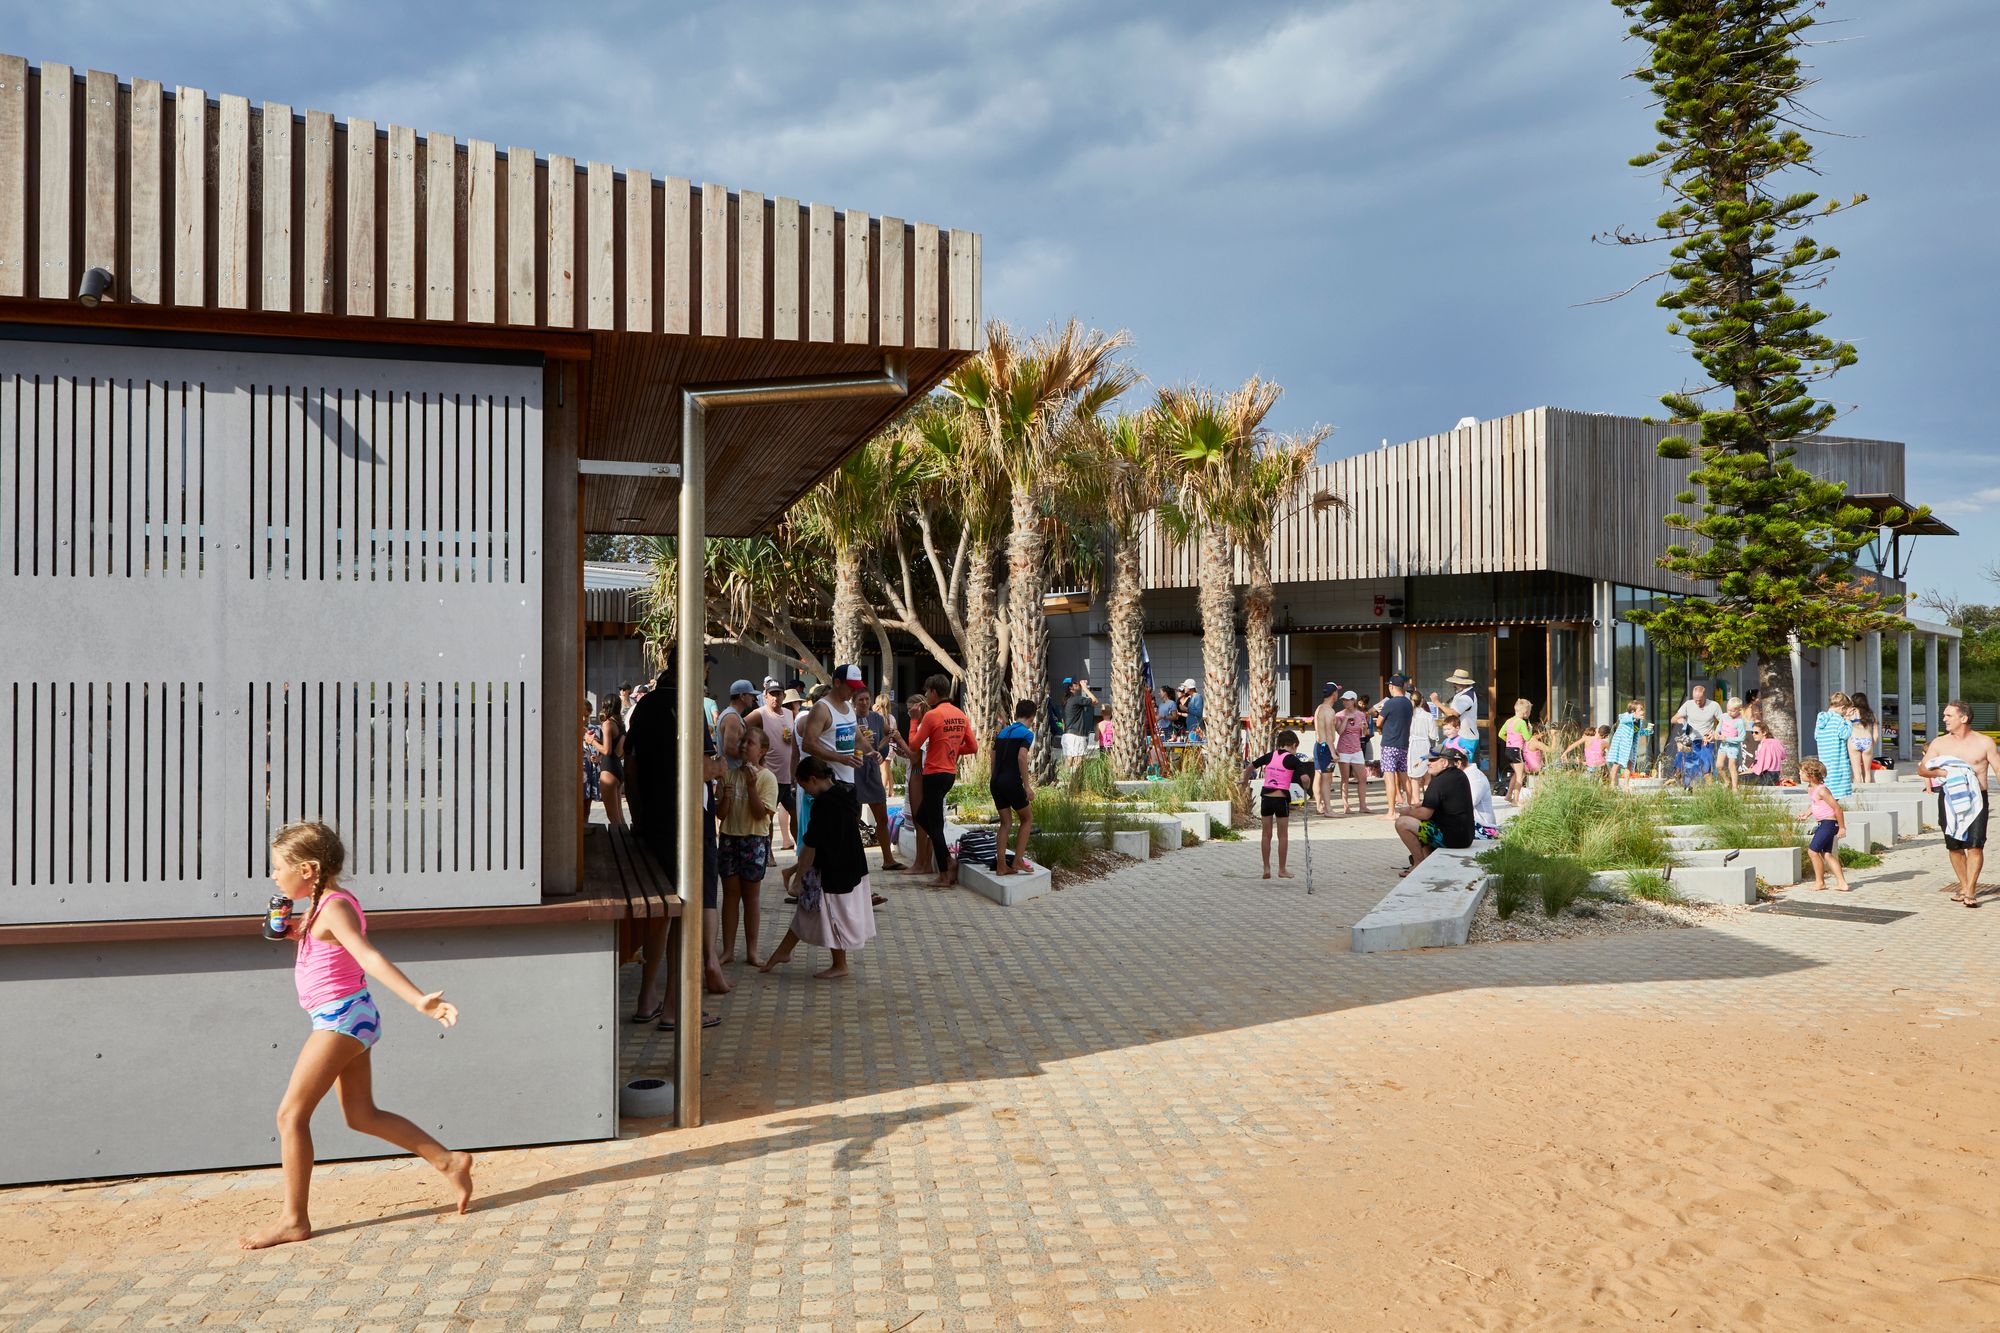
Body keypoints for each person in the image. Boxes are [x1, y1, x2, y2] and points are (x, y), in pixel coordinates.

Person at [240, 821, 473, 1250]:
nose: (273, 875)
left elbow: (369, 956)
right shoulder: (321, 904)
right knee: (361, 1114)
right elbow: (334, 951)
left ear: (308, 868)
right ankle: (448, 1160)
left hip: (341, 1018)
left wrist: (420, 1000)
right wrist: (299, 934)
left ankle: (294, 1219)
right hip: (349, 1015)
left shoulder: (333, 908)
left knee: (291, 1116)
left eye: (278, 867)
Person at [757, 757, 876, 979]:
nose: (806, 793)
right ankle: (782, 953)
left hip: (834, 870)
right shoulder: (845, 791)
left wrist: (797, 879)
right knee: (807, 910)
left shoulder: (824, 803)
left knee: (832, 914)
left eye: (804, 787)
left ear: (812, 779)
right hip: (851, 863)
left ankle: (839, 964)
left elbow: (811, 843)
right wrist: (795, 870)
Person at [1916, 700, 1999, 908]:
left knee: (1975, 845)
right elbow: (1922, 770)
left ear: (1963, 718)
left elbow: (1998, 768)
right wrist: (1945, 773)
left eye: (1948, 715)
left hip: (1977, 799)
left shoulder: (1984, 742)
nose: (1944, 719)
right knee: (1954, 846)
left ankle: (1970, 890)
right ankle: (1964, 885)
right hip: (1950, 798)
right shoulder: (1939, 743)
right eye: (1944, 715)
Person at [905, 674, 978, 887]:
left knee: (934, 827)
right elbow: (972, 747)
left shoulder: (932, 716)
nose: (926, 695)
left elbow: (914, 745)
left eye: (927, 691)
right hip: (949, 774)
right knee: (922, 817)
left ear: (935, 692)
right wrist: (953, 751)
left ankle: (946, 872)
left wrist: (913, 719)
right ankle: (947, 860)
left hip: (934, 774)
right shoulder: (960, 714)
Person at [716, 725, 777, 965]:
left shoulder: (767, 778)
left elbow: (761, 814)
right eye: (742, 741)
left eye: (749, 743)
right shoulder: (729, 775)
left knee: (751, 898)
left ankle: (752, 951)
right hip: (730, 837)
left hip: (754, 839)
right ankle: (728, 950)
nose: (743, 746)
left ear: (762, 751)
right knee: (730, 896)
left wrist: (751, 788)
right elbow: (721, 814)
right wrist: (727, 799)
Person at [795, 664, 866, 846]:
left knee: (846, 837)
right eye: (850, 686)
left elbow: (857, 737)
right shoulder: (822, 708)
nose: (853, 691)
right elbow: (808, 743)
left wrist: (872, 752)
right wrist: (840, 758)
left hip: (848, 784)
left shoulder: (849, 707)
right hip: (826, 785)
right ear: (836, 683)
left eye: (856, 687)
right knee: (824, 840)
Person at [1394, 748, 1476, 873]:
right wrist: (1417, 805)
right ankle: (1427, 857)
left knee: (1403, 823)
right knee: (1422, 824)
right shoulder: (1458, 775)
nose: (1428, 763)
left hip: (1451, 838)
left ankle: (1418, 865)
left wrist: (1406, 811)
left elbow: (1425, 814)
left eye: (1433, 760)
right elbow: (1443, 800)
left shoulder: (1439, 781)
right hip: (1465, 836)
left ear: (1444, 763)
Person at [1246, 728, 1313, 879]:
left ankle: (1266, 868)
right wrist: (1306, 788)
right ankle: (1282, 869)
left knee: (1266, 834)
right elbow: (1305, 779)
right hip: (1281, 798)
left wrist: (1244, 780)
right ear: (1294, 744)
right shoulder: (1292, 759)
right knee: (1282, 835)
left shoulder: (1271, 755)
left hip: (1266, 798)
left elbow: (1251, 766)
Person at [851, 687, 904, 873]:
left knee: (881, 815)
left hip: (872, 769)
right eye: (860, 700)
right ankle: (854, 861)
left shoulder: (877, 718)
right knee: (853, 819)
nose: (864, 703)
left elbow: (891, 733)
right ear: (854, 701)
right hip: (853, 769)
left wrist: (881, 748)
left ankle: (888, 859)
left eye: (867, 699)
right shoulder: (848, 717)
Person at [748, 683, 799, 850]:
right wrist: (755, 747)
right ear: (765, 696)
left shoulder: (790, 713)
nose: (776, 697)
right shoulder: (760, 713)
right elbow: (741, 726)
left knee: (796, 814)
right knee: (767, 816)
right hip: (769, 775)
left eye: (778, 693)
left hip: (789, 775)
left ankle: (799, 849)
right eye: (772, 694)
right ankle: (768, 852)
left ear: (784, 696)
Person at [990, 699, 1038, 875]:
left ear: (1016, 713)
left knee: (1006, 823)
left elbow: (992, 756)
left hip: (996, 782)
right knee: (1027, 819)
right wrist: (1027, 786)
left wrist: (994, 778)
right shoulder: (1026, 733)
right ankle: (1017, 861)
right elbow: (1021, 757)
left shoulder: (1002, 732)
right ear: (1032, 716)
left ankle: (1002, 866)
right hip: (1011, 782)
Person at [1797, 757, 1853, 893]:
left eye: (1801, 772)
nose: (1799, 774)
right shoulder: (1811, 788)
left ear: (1810, 775)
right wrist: (1806, 814)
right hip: (1823, 823)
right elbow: (1815, 804)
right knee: (1827, 854)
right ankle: (1842, 883)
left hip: (1829, 823)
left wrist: (1842, 827)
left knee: (1812, 851)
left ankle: (1820, 882)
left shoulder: (1823, 790)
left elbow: (1837, 808)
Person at [1373, 674, 1416, 822]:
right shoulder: (1408, 703)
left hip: (1390, 744)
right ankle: (1410, 807)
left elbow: (1379, 722)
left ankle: (1391, 812)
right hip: (1403, 744)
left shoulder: (1390, 703)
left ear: (1391, 686)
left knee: (1389, 779)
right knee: (1405, 777)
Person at [902, 696, 934, 875]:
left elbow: (915, 758)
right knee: (924, 821)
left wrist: (900, 739)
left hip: (919, 775)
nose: (909, 714)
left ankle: (922, 863)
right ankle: (923, 862)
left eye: (911, 711)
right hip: (921, 774)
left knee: (920, 820)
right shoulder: (926, 725)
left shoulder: (922, 726)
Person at [1672, 684, 1725, 784]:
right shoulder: (1688, 704)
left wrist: (1715, 733)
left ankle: (1710, 790)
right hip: (1691, 740)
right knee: (1686, 762)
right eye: (1695, 699)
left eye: (1700, 700)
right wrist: (1680, 719)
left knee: (1706, 766)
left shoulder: (1714, 705)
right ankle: (1682, 782)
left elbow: (1723, 722)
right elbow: (1672, 719)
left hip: (1707, 740)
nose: (1697, 702)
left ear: (1705, 696)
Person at [1333, 689, 1372, 815]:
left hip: (1357, 749)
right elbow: (1339, 731)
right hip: (1344, 749)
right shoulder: (1339, 714)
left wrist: (1365, 728)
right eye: (1344, 700)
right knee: (1345, 778)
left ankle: (1363, 806)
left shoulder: (1361, 714)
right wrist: (1346, 719)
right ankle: (1346, 806)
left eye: (1348, 700)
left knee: (1362, 777)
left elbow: (1365, 733)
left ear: (1354, 701)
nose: (1345, 702)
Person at [1813, 691, 1855, 798]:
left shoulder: (1821, 718)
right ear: (1842, 708)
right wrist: (1849, 721)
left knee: (1826, 784)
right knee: (1836, 790)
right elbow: (1845, 734)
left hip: (1824, 758)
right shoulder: (1838, 719)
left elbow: (1816, 736)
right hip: (1837, 760)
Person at [1311, 684, 1341, 815]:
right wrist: (1333, 751)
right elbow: (1328, 733)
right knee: (1327, 779)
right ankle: (1329, 809)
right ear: (1334, 694)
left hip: (1319, 746)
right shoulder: (1329, 711)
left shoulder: (1319, 708)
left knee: (1318, 776)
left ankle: (1319, 806)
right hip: (1325, 748)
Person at [1061, 677, 1101, 773]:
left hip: (1067, 735)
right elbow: (1095, 701)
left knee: (1068, 760)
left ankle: (1066, 782)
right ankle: (1075, 784)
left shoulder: (1065, 700)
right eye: (1075, 683)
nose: (1077, 683)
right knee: (1078, 761)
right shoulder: (1076, 699)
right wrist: (1085, 688)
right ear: (1071, 687)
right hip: (1076, 735)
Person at [1606, 700, 1651, 785]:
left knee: (1629, 764)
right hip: (1621, 745)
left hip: (1630, 746)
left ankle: (1626, 785)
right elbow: (1623, 719)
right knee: (1617, 764)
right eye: (1640, 709)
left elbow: (1638, 732)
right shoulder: (1625, 716)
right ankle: (1612, 783)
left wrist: (1648, 731)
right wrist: (1634, 717)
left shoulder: (1639, 721)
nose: (1643, 711)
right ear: (1633, 711)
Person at [718, 679, 758, 771]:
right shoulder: (732, 718)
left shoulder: (733, 715)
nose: (754, 698)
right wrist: (751, 757)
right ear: (742, 696)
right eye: (751, 695)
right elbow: (729, 749)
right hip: (732, 775)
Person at [1498, 698, 1534, 798]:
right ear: (1526, 712)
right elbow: (1527, 738)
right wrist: (1530, 730)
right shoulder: (1522, 723)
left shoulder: (1509, 721)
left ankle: (1508, 795)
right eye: (1530, 711)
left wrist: (1509, 741)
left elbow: (1501, 734)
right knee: (1520, 776)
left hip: (1508, 750)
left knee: (1516, 772)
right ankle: (1516, 800)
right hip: (1516, 751)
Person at [1445, 669, 1480, 763]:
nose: (1454, 685)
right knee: (1457, 764)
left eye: (1456, 683)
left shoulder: (1467, 696)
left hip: (1467, 737)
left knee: (1465, 765)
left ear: (1463, 684)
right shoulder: (1463, 694)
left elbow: (1453, 714)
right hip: (1461, 735)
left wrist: (1436, 703)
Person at [1714, 697, 1746, 792]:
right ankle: (1727, 781)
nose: (1729, 713)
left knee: (1731, 766)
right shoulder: (1724, 717)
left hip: (1733, 747)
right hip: (1723, 745)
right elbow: (1719, 728)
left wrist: (1727, 738)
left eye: (1732, 711)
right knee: (1719, 765)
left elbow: (1741, 738)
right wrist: (1716, 734)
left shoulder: (1740, 722)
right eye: (1728, 710)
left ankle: (1735, 788)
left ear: (1738, 710)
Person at [1464, 752, 1498, 836]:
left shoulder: (1475, 778)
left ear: (1458, 763)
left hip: (1483, 828)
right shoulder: (1464, 775)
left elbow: (1468, 804)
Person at [1848, 692, 1878, 785]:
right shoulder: (1871, 714)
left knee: (1857, 773)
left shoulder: (1851, 712)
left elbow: (1845, 728)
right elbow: (1876, 734)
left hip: (1854, 740)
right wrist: (1872, 745)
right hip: (1867, 741)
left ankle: (1859, 795)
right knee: (1867, 772)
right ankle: (1868, 790)